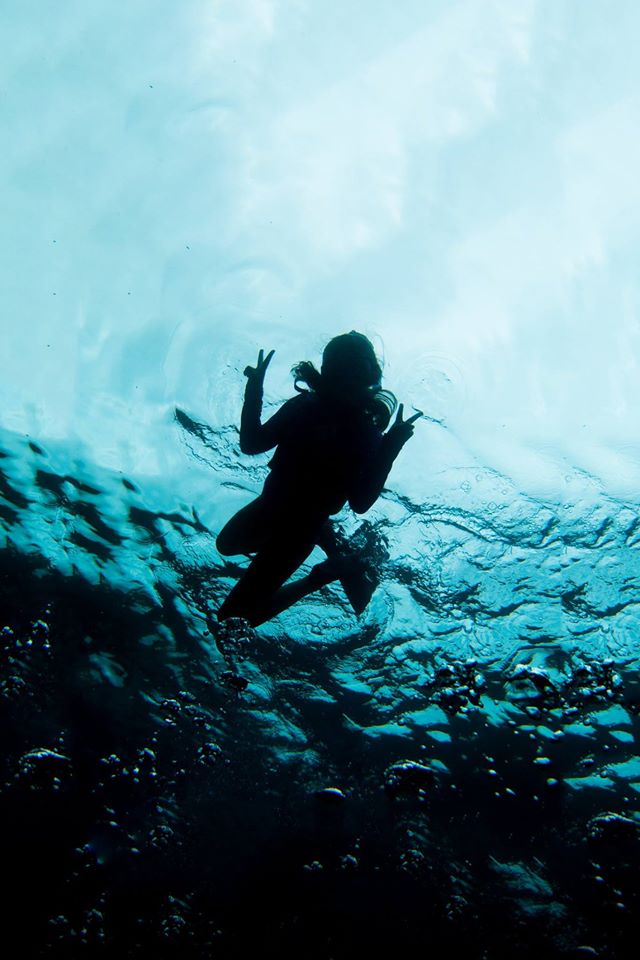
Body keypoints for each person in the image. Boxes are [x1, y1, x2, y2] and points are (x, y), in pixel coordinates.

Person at [216, 332, 420, 627]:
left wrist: (391, 447)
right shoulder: (306, 407)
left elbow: (360, 502)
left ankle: (323, 574)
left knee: (232, 618)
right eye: (344, 366)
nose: (349, 375)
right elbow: (251, 444)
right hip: (274, 511)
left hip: (298, 532)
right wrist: (254, 388)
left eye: (356, 366)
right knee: (226, 546)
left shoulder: (362, 431)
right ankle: (329, 538)